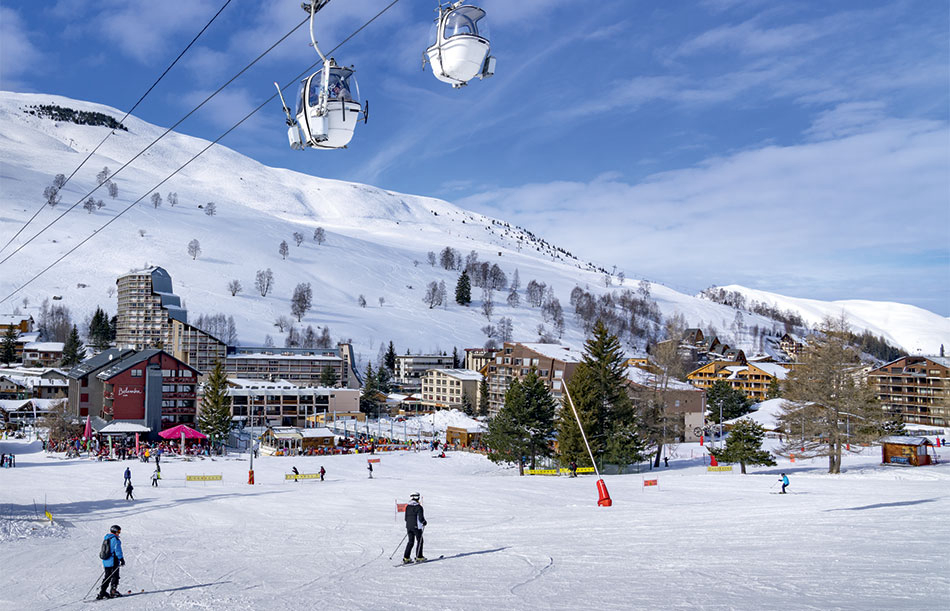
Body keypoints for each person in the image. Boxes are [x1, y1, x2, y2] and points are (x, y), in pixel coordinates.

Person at [97, 525, 125, 599]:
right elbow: (118, 550)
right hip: (113, 560)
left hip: (106, 560)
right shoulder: (115, 539)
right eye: (118, 531)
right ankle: (113, 591)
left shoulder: (107, 538)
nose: (119, 533)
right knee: (115, 576)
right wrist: (121, 559)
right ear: (115, 531)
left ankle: (102, 592)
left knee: (107, 576)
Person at [403, 492, 427, 564]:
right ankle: (419, 556)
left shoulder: (408, 506)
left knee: (410, 542)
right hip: (417, 527)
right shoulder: (419, 507)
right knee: (420, 541)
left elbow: (405, 518)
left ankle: (406, 557)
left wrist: (410, 524)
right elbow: (421, 518)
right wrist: (424, 522)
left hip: (409, 526)